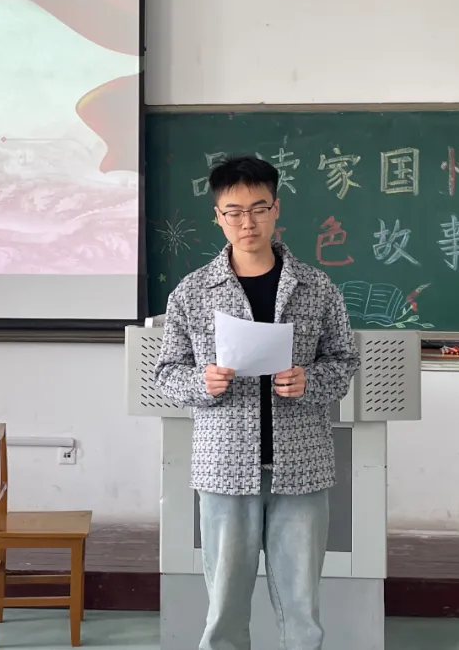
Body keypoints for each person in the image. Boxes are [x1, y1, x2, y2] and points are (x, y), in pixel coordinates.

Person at [152, 155, 360, 650]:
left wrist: (309, 380)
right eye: (234, 212)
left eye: (258, 208)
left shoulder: (316, 287)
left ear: (276, 209)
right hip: (224, 466)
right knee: (225, 607)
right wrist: (203, 382)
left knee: (301, 606)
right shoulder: (192, 293)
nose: (247, 222)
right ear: (217, 217)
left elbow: (344, 361)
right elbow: (166, 373)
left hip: (302, 466)